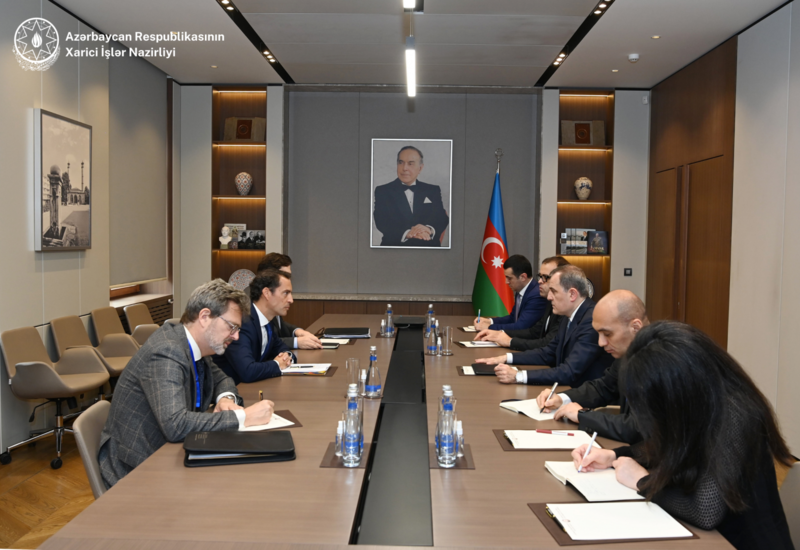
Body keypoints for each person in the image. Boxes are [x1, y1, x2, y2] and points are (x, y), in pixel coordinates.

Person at [572, 321, 794, 550]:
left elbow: (705, 512)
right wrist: (614, 455)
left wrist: (641, 481)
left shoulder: (734, 412)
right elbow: (671, 445)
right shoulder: (701, 399)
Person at [97, 280, 275, 488]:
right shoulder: (167, 351)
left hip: (167, 452)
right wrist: (243, 417)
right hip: (135, 469)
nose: (236, 336)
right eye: (232, 327)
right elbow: (176, 425)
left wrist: (225, 399)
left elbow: (223, 378)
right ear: (205, 317)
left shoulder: (193, 344)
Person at [536, 289, 648, 443]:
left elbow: (638, 428)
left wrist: (583, 415)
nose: (601, 343)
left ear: (635, 327)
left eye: (607, 334)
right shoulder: (629, 352)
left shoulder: (661, 362)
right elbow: (603, 388)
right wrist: (562, 398)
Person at [476, 265, 612, 387]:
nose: (549, 297)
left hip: (585, 398)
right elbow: (548, 353)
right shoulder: (569, 314)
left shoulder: (591, 320)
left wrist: (518, 376)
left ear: (572, 294)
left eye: (554, 291)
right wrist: (506, 358)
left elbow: (569, 371)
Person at [215, 269, 297, 384]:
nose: (291, 300)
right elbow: (248, 371)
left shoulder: (267, 321)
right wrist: (277, 364)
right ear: (267, 293)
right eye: (286, 293)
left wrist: (287, 357)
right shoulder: (243, 322)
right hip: (231, 390)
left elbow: (282, 348)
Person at [474, 256, 569, 349]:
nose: (540, 281)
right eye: (540, 276)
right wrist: (495, 329)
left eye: (545, 277)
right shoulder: (548, 302)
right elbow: (534, 332)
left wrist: (505, 339)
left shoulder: (539, 296)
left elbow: (545, 343)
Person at [373, 146, 449, 247]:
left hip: (428, 246)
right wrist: (407, 233)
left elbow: (441, 217)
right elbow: (381, 220)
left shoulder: (432, 190)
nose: (404, 168)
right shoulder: (383, 191)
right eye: (401, 162)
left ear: (420, 168)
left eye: (410, 164)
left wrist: (428, 229)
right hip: (395, 247)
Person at [256, 253, 322, 350]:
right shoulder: (253, 305)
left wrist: (297, 331)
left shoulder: (275, 300)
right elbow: (264, 341)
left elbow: (280, 326)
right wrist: (296, 342)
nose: (291, 300)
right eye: (285, 275)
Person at [473, 255, 548, 332]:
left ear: (523, 277)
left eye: (509, 278)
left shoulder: (536, 295)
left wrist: (489, 327)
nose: (506, 282)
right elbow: (512, 318)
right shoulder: (521, 290)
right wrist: (490, 321)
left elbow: (521, 327)